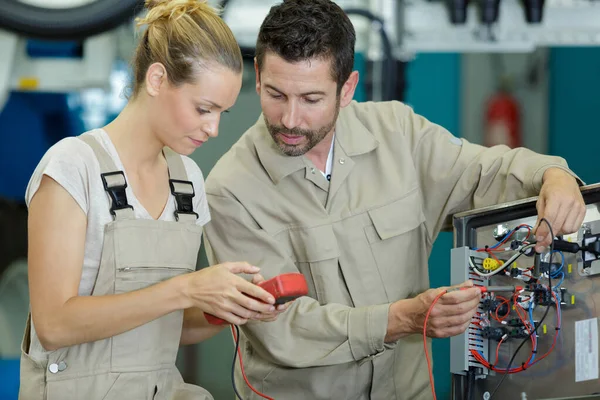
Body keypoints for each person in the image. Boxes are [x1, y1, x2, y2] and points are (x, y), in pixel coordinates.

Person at [202, 0, 587, 399]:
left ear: (347, 88)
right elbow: (282, 329)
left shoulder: (398, 135)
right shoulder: (231, 192)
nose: (290, 119)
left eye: (312, 99)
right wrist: (401, 319)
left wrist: (551, 174)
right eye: (276, 94)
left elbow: (483, 173)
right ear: (259, 75)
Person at [19, 1, 290, 399]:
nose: (213, 129)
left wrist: (229, 308)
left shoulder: (188, 182)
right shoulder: (73, 166)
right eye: (203, 109)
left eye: (222, 113)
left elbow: (165, 328)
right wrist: (187, 288)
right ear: (158, 79)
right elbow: (54, 325)